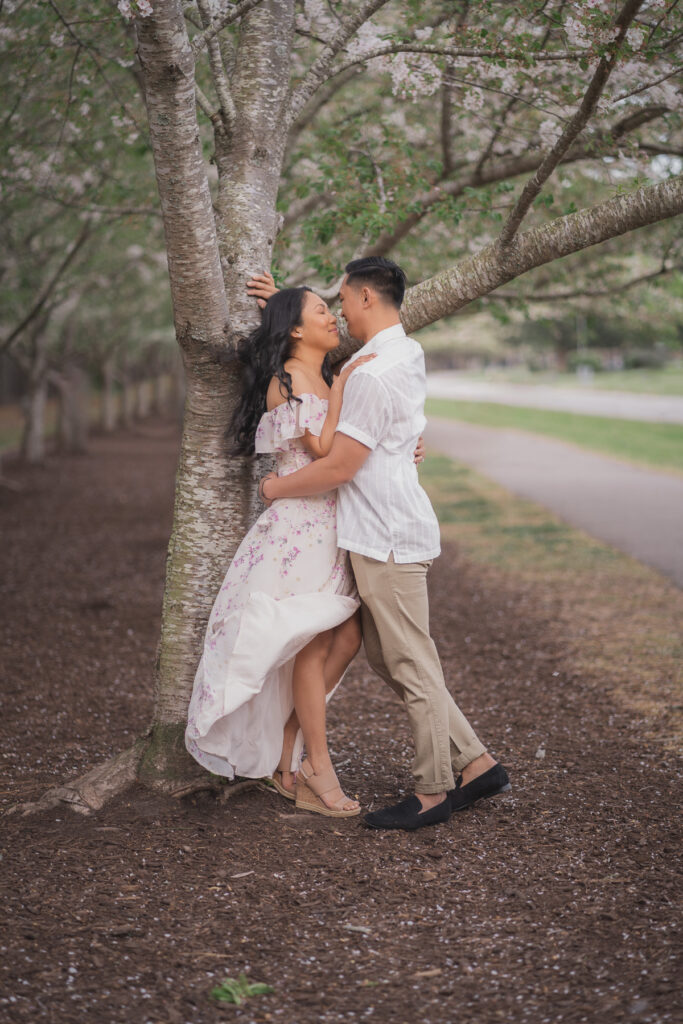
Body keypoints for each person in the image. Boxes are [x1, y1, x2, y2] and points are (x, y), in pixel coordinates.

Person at [252, 257, 510, 831]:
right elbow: (389, 427)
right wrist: (280, 304)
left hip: (384, 534)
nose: (338, 309)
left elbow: (339, 465)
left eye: (339, 298)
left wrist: (274, 486)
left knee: (411, 664)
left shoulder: (367, 372)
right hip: (386, 526)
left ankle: (432, 792)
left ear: (366, 297)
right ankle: (478, 763)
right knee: (392, 658)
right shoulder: (404, 351)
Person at [184, 284, 425, 819]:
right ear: (295, 329)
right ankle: (317, 766)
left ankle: (290, 743)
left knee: (347, 636)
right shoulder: (292, 378)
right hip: (300, 530)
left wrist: (398, 437)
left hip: (331, 526)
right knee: (314, 645)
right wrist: (345, 391)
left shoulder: (323, 373)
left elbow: (354, 436)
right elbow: (326, 449)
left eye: (332, 306)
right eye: (321, 311)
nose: (334, 317)